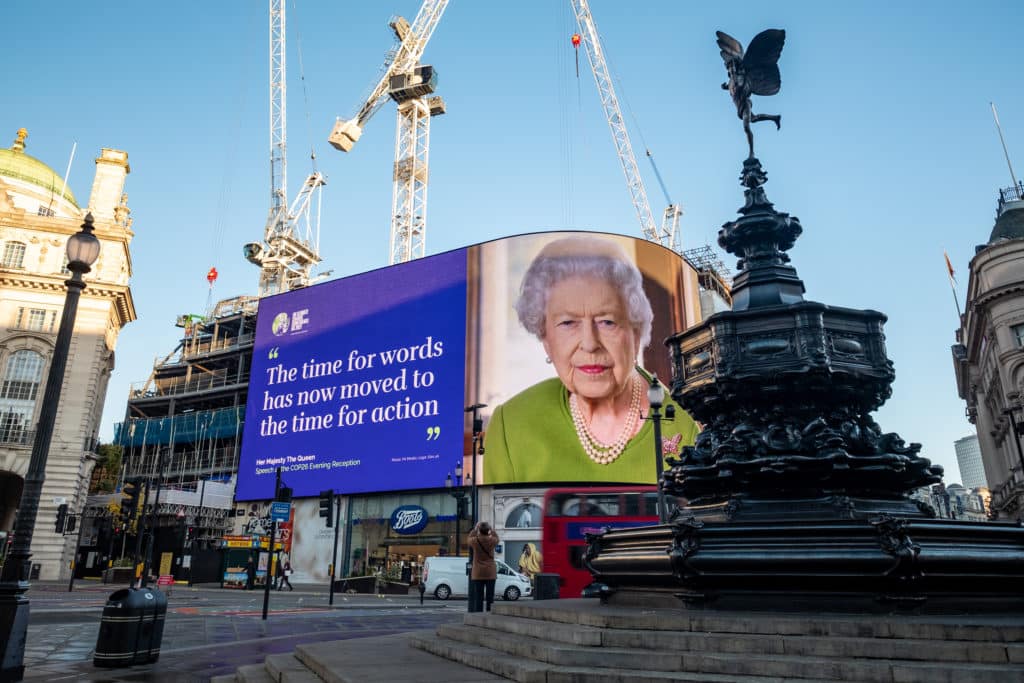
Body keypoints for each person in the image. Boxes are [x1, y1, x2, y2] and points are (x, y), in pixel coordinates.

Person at [483, 235, 698, 485]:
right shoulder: (511, 425)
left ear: (636, 331)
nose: (589, 343)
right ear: (545, 338)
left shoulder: (686, 423)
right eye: (568, 323)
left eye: (607, 321)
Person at [468, 522, 499, 612]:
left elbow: (469, 538)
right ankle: (489, 615)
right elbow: (497, 538)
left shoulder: (475, 541)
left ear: (479, 530)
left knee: (478, 598)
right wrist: (491, 529)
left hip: (478, 573)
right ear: (488, 530)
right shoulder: (492, 541)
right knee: (490, 597)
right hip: (490, 572)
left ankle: (479, 616)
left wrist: (475, 529)